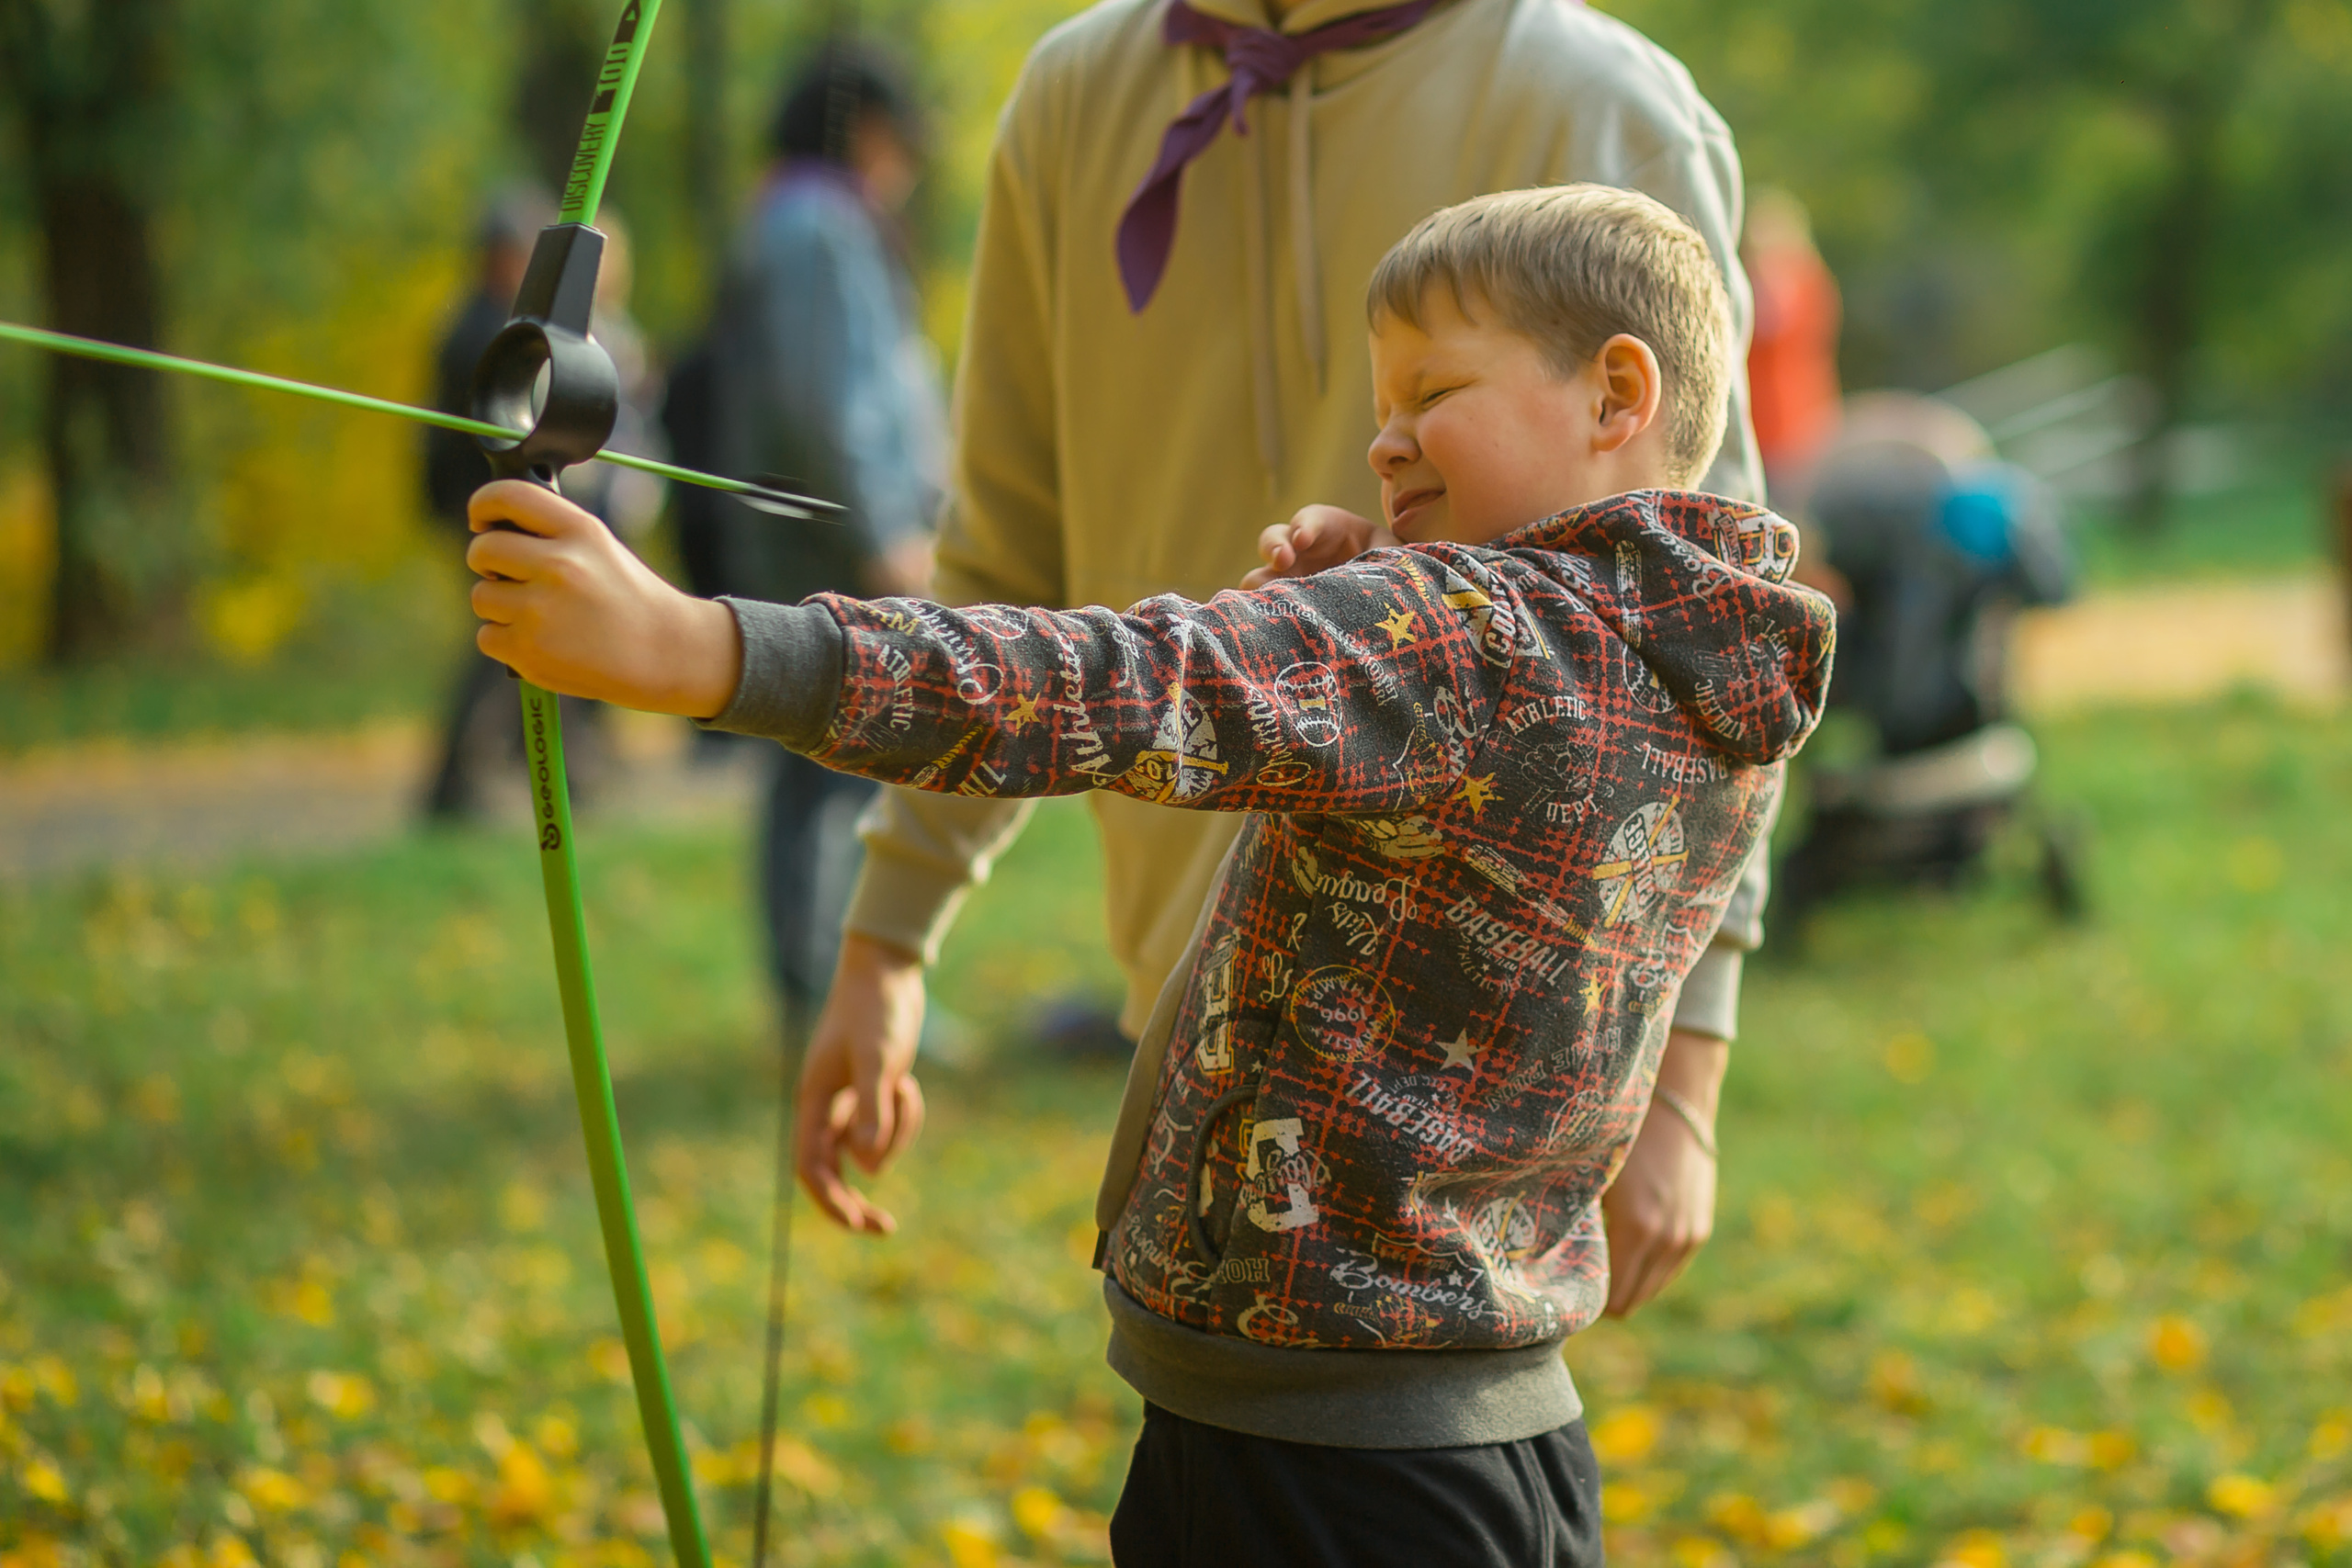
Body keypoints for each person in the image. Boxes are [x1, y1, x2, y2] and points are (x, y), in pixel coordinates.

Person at [464, 185, 1835, 1562]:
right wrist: (1373, 602)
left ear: (1616, 392)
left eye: (1434, 388)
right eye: (1382, 401)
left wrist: (702, 648)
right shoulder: (1696, 664)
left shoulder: (1455, 644)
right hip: (1489, 1422)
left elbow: (1117, 683)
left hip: (1319, 1469)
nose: (1383, 436)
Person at [812, 0, 1775, 1320]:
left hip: (1497, 1102)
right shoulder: (1073, 94)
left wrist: (1685, 1084)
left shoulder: (1594, 93)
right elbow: (1007, 554)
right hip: (1192, 1016)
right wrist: (888, 938)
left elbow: (1693, 614)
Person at [701, 43, 947, 1009]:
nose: (912, 163)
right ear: (868, 131)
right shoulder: (813, 221)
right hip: (834, 545)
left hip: (833, 533)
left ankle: (851, 984)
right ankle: (829, 992)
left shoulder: (800, 214)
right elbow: (831, 395)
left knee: (845, 763)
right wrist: (885, 531)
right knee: (830, 769)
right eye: (903, 140)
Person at [419, 193, 662, 818]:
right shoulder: (481, 327)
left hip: (506, 503)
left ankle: (560, 771)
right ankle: (462, 785)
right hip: (488, 504)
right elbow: (489, 431)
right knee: (503, 636)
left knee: (531, 629)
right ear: (494, 257)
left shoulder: (502, 323)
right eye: (515, 253)